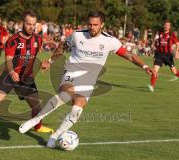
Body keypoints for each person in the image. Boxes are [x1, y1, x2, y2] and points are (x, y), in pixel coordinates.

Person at [19, 10, 153, 148]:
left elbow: (130, 55)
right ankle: (36, 119)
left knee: (77, 109)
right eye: (90, 24)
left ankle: (56, 135)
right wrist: (50, 61)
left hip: (89, 79)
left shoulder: (110, 41)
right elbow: (63, 47)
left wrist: (144, 66)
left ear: (102, 25)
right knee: (65, 95)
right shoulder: (77, 35)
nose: (92, 27)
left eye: (95, 25)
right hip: (72, 71)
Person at [0, 10, 54, 134]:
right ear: (23, 23)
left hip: (26, 78)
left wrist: (44, 64)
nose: (31, 27)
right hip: (10, 75)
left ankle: (38, 127)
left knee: (36, 105)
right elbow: (9, 60)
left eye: (33, 24)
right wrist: (11, 72)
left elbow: (33, 57)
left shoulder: (38, 39)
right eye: (29, 24)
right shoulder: (14, 40)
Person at [147, 20, 179, 92]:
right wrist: (154, 52)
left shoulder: (172, 34)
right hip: (159, 55)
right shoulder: (159, 33)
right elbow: (155, 43)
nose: (166, 26)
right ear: (163, 26)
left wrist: (177, 52)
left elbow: (177, 43)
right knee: (155, 70)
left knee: (174, 71)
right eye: (165, 25)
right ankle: (152, 86)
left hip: (168, 55)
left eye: (168, 25)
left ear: (169, 27)